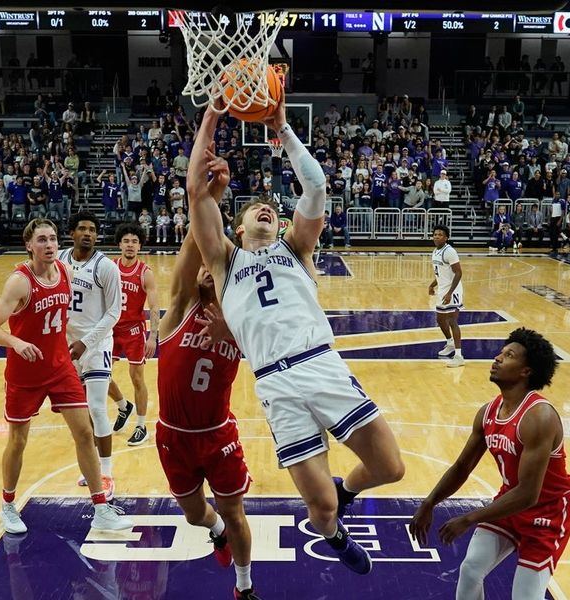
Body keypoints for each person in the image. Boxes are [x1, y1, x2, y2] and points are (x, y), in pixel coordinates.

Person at [188, 95, 405, 575]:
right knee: (320, 510)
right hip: (274, 384)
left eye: (270, 208)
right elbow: (196, 196)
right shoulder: (224, 263)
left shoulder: (297, 247)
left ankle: (348, 491)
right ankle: (334, 532)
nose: (264, 210)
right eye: (255, 210)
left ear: (280, 223)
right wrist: (210, 118)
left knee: (391, 468)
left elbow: (316, 185)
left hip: (320, 364)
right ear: (238, 228)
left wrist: (283, 130)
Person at [156, 150, 261, 599]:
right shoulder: (177, 311)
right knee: (195, 514)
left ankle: (243, 586)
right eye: (198, 264)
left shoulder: (239, 319)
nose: (202, 269)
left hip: (218, 434)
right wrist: (210, 198)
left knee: (236, 512)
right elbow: (192, 250)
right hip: (173, 435)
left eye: (209, 267)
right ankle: (213, 529)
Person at [0, 218, 129, 534]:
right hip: (25, 373)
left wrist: (88, 340)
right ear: (29, 245)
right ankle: (7, 504)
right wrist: (16, 341)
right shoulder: (19, 282)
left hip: (59, 367)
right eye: (43, 240)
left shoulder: (65, 272)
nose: (50, 245)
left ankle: (100, 506)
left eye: (53, 239)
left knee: (85, 432)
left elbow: (65, 316)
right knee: (18, 440)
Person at [409, 328, 570, 599]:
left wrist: (468, 518)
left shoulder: (539, 416)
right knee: (471, 569)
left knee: (524, 596)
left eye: (508, 355)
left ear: (526, 371)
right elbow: (462, 467)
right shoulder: (487, 412)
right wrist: (429, 502)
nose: (497, 358)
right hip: (511, 501)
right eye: (500, 352)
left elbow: (529, 493)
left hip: (548, 510)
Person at [59, 212, 123, 499]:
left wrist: (87, 341)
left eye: (93, 230)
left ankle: (107, 473)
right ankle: (92, 465)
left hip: (96, 344)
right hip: (66, 345)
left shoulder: (106, 267)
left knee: (97, 407)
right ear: (72, 232)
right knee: (79, 412)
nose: (88, 233)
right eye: (82, 228)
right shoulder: (58, 260)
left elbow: (114, 312)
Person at [106, 224, 160, 447]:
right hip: (110, 328)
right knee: (99, 375)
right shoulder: (110, 267)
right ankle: (122, 405)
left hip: (134, 331)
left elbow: (154, 306)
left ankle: (141, 425)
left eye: (134, 242)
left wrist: (152, 335)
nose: (130, 245)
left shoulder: (145, 272)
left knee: (137, 378)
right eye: (126, 241)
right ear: (120, 244)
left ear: (140, 246)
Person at [429, 225, 464, 367]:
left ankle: (459, 356)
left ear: (446, 237)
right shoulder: (435, 251)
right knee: (440, 319)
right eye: (435, 234)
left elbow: (459, 273)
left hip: (453, 291)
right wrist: (432, 285)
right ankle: (450, 343)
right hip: (443, 289)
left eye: (440, 234)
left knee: (452, 321)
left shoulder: (450, 252)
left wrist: (450, 293)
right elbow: (440, 273)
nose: (437, 236)